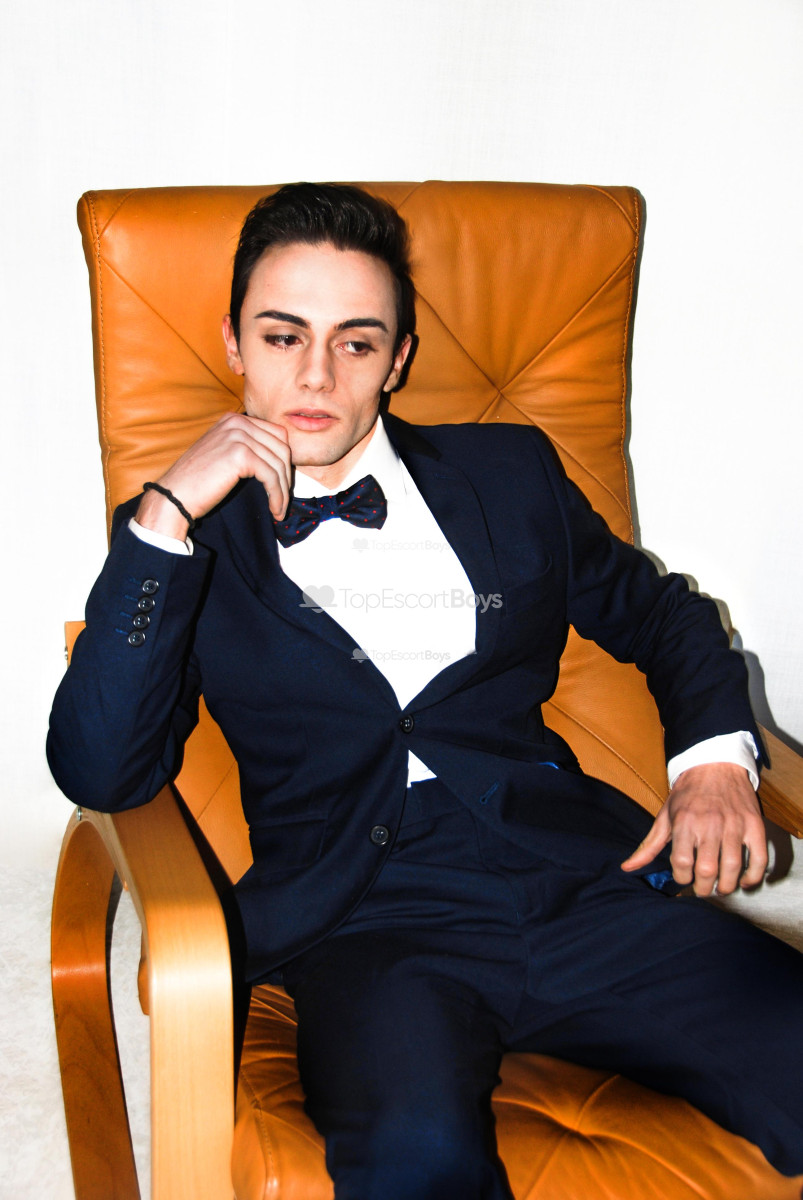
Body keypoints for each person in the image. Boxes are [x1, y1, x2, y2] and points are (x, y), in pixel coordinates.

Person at [48, 183, 803, 1199]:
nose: (316, 375)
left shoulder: (507, 473)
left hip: (577, 881)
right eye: (282, 337)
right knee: (415, 1161)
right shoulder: (185, 541)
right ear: (233, 345)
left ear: (397, 358)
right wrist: (164, 516)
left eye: (355, 343)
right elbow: (100, 768)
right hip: (365, 925)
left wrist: (711, 764)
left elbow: (662, 615)